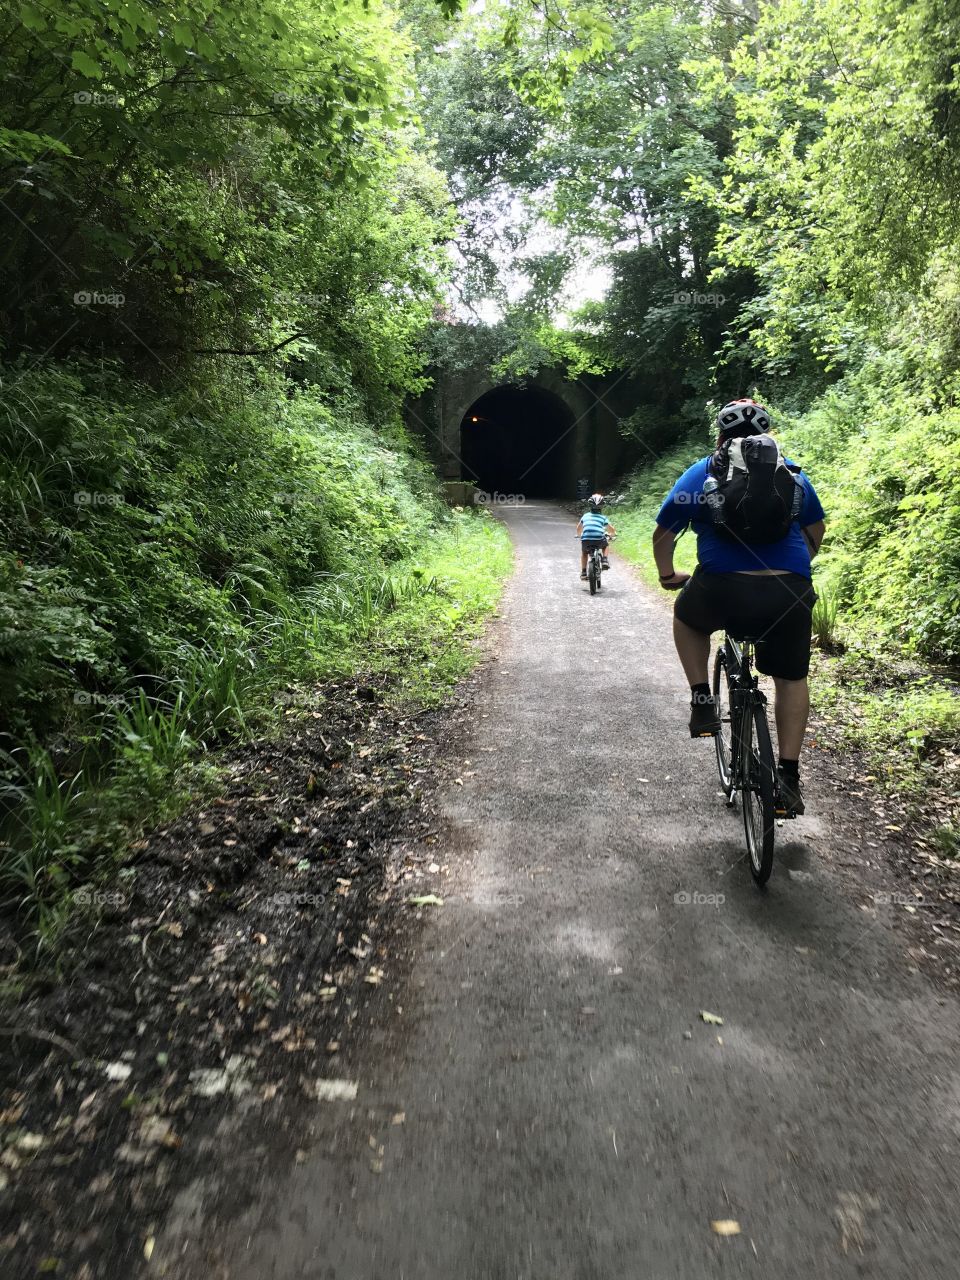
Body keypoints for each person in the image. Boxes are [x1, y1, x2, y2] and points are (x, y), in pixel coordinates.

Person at [651, 399, 826, 816]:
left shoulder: (704, 471)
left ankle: (702, 702)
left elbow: (664, 532)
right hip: (790, 591)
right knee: (790, 677)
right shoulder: (793, 473)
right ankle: (787, 776)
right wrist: (791, 572)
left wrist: (667, 575)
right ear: (768, 434)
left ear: (720, 435)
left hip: (722, 587)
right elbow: (815, 532)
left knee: (687, 619)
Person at [577, 494, 616, 580]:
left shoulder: (585, 516)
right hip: (598, 539)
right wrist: (612, 535)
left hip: (586, 539)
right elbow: (611, 529)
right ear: (602, 506)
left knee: (584, 553)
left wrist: (580, 536)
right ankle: (605, 560)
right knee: (605, 546)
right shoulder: (603, 518)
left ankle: (583, 572)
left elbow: (578, 528)